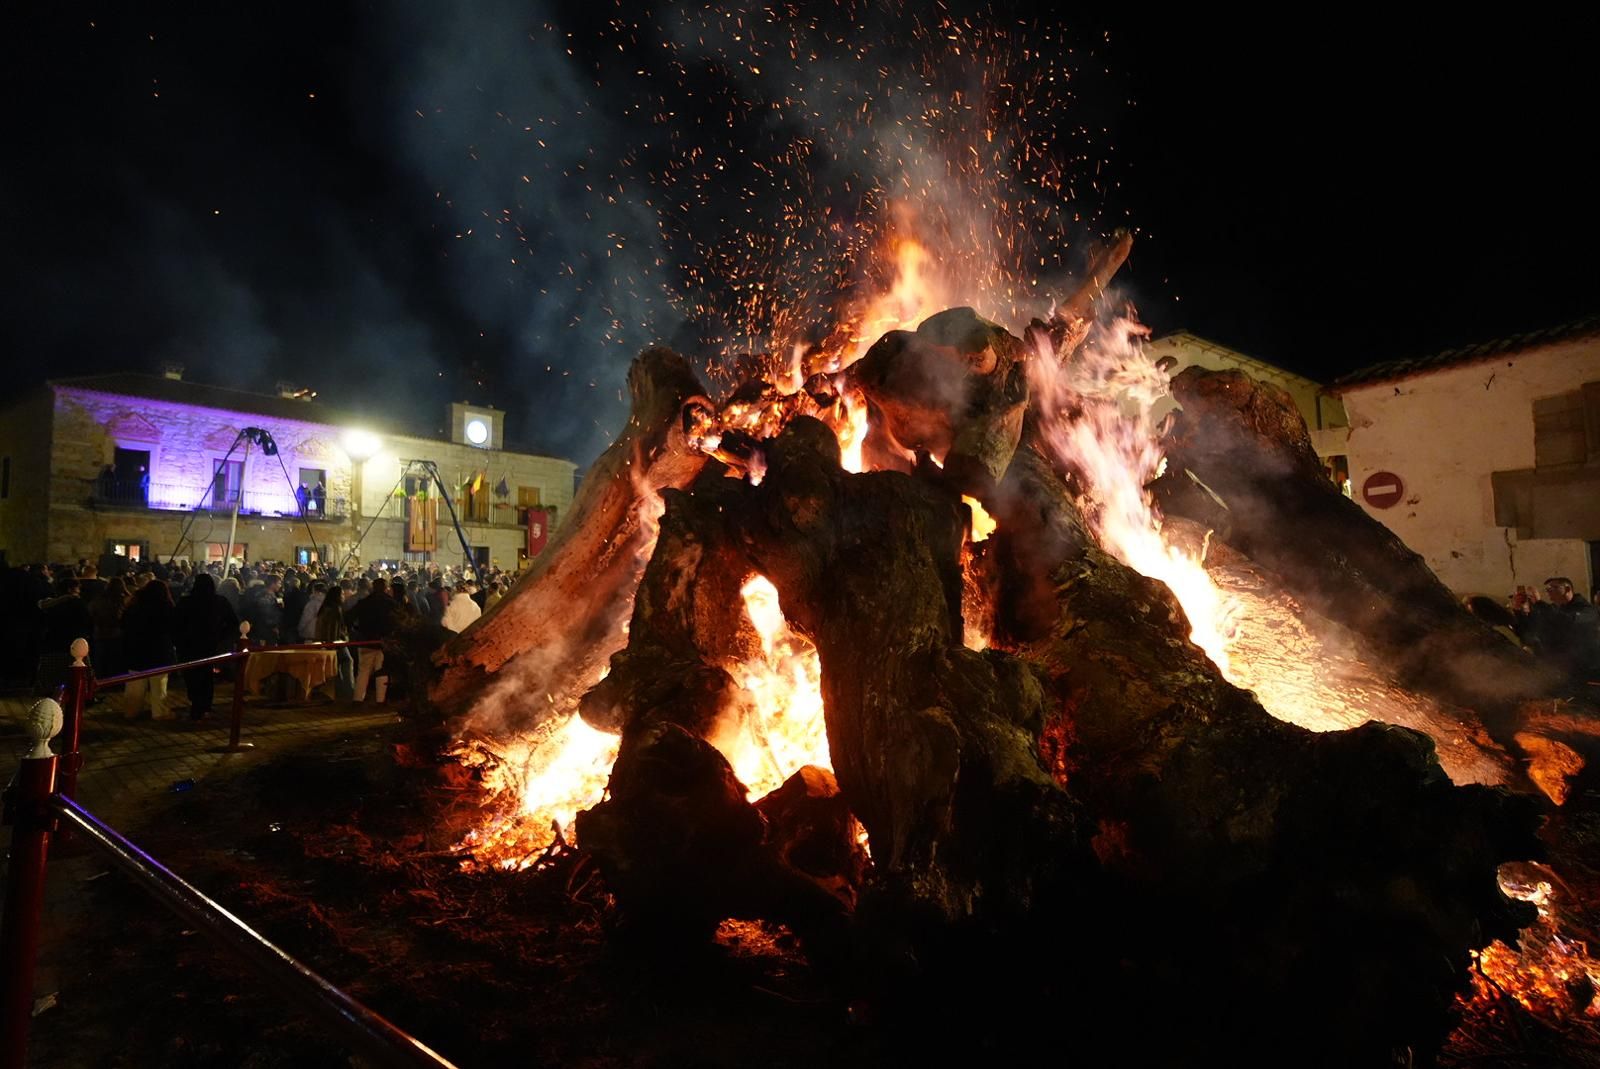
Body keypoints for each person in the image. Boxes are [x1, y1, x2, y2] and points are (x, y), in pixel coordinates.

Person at [1513, 577, 1600, 692]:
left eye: (1552, 588)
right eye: (1547, 589)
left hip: (1587, 671)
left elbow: (1567, 620)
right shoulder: (1554, 610)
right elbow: (1532, 632)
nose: (1548, 592)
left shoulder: (1588, 610)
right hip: (1561, 671)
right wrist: (1521, 611)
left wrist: (1539, 603)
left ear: (1567, 589)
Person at [172, 573, 238, 721]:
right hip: (209, 645)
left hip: (189, 646)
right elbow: (233, 623)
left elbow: (175, 624)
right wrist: (221, 637)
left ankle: (197, 704)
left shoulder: (186, 602)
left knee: (192, 675)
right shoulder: (219, 602)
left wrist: (179, 641)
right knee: (206, 676)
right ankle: (203, 705)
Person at [122, 579, 177, 720]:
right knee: (159, 685)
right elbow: (172, 628)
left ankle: (131, 711)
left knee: (135, 684)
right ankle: (159, 712)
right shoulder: (166, 607)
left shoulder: (134, 606)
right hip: (159, 650)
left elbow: (124, 625)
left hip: (136, 649)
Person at [348, 576, 399, 702]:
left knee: (363, 671)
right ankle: (380, 700)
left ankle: (358, 698)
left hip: (365, 640)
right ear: (385, 588)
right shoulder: (391, 603)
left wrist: (356, 629)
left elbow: (348, 616)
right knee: (381, 671)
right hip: (384, 641)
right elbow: (398, 621)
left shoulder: (364, 602)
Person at [314, 586, 355, 701]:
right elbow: (334, 629)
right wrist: (334, 642)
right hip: (336, 642)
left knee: (336, 666)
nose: (343, 596)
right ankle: (348, 691)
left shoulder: (326, 608)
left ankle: (339, 690)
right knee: (347, 661)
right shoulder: (335, 609)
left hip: (329, 642)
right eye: (341, 594)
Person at [88, 576, 132, 679]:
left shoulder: (98, 600)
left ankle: (100, 681)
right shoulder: (124, 600)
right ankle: (115, 681)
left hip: (100, 633)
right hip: (117, 633)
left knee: (100, 660)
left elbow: (90, 614)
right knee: (116, 659)